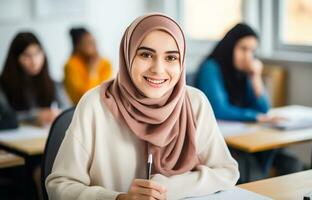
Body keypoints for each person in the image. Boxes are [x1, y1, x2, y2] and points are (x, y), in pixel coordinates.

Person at [46, 13, 239, 200]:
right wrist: (118, 199)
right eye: (146, 54)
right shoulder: (94, 104)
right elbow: (60, 186)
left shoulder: (195, 102)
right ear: (128, 54)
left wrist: (167, 188)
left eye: (171, 58)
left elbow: (227, 171)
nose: (158, 69)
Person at [195, 23, 302, 181]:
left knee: (292, 162)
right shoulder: (211, 67)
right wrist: (256, 117)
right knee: (250, 167)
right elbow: (218, 109)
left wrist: (255, 77)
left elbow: (264, 108)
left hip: (244, 137)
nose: (248, 56)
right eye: (243, 49)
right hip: (220, 140)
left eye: (252, 51)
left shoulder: (243, 71)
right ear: (230, 46)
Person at [0, 32, 69, 127]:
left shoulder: (53, 83)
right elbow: (5, 117)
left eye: (37, 53)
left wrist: (57, 114)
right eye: (27, 55)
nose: (34, 61)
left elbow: (68, 110)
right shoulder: (3, 85)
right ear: (15, 59)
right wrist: (34, 116)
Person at [64, 27, 112, 104]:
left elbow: (107, 93)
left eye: (94, 41)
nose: (94, 46)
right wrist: (92, 72)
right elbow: (84, 99)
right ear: (78, 46)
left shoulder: (105, 63)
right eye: (89, 43)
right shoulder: (70, 65)